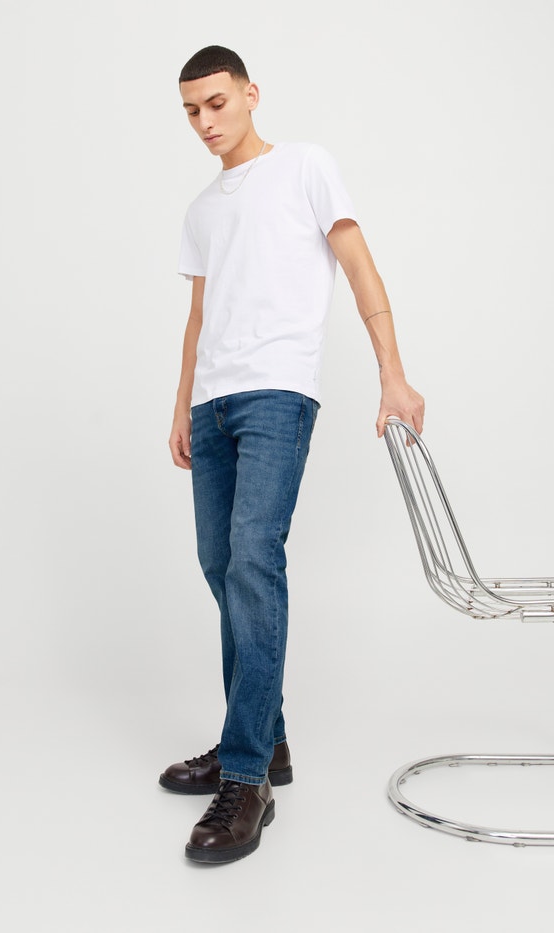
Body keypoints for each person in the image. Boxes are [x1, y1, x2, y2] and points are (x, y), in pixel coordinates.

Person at [161, 45, 425, 864]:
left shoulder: (306, 166)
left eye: (216, 102)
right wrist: (182, 404)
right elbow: (199, 315)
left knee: (253, 556)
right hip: (212, 404)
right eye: (192, 111)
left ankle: (246, 777)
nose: (205, 121)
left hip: (277, 392)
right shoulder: (202, 210)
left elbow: (358, 265)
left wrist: (392, 372)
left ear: (250, 93)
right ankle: (265, 737)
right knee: (220, 563)